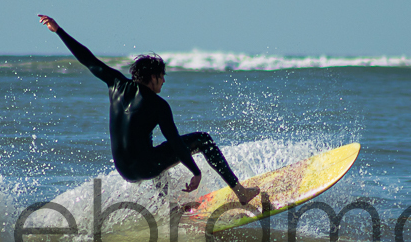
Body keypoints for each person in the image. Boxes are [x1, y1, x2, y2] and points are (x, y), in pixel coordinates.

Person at [39, 15, 260, 205]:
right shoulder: (158, 105)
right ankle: (240, 192)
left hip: (124, 170)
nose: (164, 81)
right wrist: (195, 171)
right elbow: (176, 143)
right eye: (162, 76)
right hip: (145, 168)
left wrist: (58, 31)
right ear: (153, 77)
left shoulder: (116, 84)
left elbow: (88, 59)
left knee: (152, 151)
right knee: (203, 139)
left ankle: (168, 208)